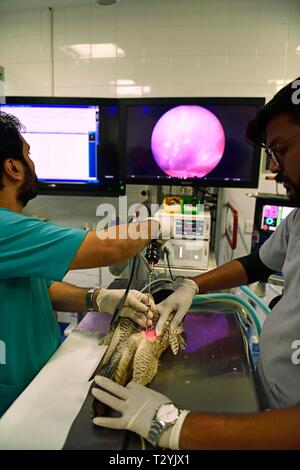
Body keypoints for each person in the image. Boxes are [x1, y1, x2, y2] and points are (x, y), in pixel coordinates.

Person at [91, 78, 300, 449]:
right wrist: (192, 286)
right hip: (267, 396)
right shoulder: (298, 219)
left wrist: (173, 426)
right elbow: (256, 264)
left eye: (281, 149)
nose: (274, 167)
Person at [0, 111, 170, 416]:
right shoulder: (4, 229)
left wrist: (96, 298)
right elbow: (112, 247)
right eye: (28, 154)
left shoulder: (11, 228)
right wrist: (158, 222)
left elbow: (36, 286)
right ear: (13, 168)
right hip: (13, 400)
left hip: (41, 378)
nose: (32, 163)